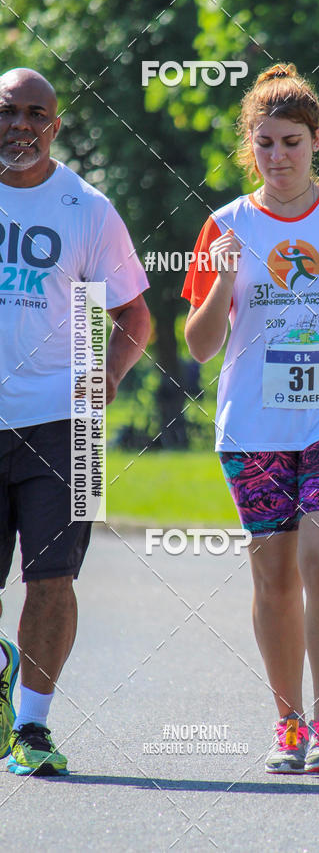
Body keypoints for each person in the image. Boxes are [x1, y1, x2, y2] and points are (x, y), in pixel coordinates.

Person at [182, 63, 319, 775]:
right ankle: (289, 724)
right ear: (250, 146)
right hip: (255, 424)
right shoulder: (224, 226)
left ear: (318, 141)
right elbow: (200, 344)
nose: (279, 156)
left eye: (292, 142)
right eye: (265, 142)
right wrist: (222, 279)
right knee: (272, 578)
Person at [0, 68, 151, 775]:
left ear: (55, 126)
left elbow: (134, 317)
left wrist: (113, 374)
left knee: (52, 579)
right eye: (7, 111)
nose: (20, 125)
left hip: (65, 425)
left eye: (36, 113)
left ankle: (31, 730)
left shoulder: (87, 208)